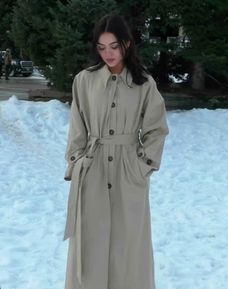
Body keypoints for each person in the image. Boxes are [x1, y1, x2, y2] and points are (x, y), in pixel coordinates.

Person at [63, 14, 169, 289]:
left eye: (113, 46)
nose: (108, 53)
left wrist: (142, 166)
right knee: (91, 242)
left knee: (129, 245)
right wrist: (77, 163)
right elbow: (77, 130)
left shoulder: (144, 84)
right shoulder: (83, 81)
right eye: (101, 47)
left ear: (127, 44)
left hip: (128, 173)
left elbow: (156, 130)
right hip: (93, 170)